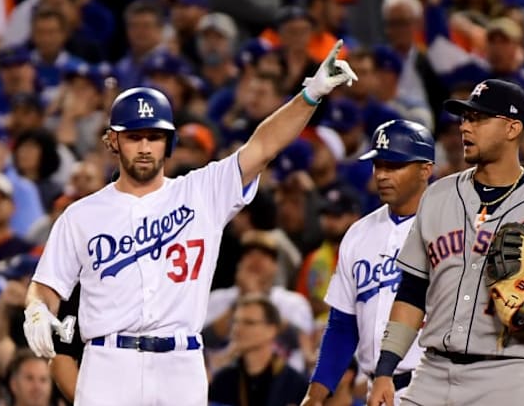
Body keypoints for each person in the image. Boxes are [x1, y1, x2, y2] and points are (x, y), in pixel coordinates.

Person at [21, 40, 357, 405]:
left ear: (170, 142)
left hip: (180, 363)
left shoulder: (201, 192)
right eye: (135, 137)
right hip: (108, 362)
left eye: (155, 137)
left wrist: (309, 95)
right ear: (113, 141)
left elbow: (263, 147)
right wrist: (37, 309)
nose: (146, 147)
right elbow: (45, 287)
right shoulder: (81, 215)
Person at [367, 79, 524, 406]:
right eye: (464, 118)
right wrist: (385, 369)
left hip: (507, 376)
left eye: (478, 118)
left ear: (512, 128)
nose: (465, 126)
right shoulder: (438, 195)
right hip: (433, 371)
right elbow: (412, 290)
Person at [301, 119, 436, 406]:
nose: (382, 175)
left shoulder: (448, 229)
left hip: (434, 385)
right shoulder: (359, 233)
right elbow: (342, 324)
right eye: (379, 165)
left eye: (394, 166)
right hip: (377, 389)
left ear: (426, 169)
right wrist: (315, 395)